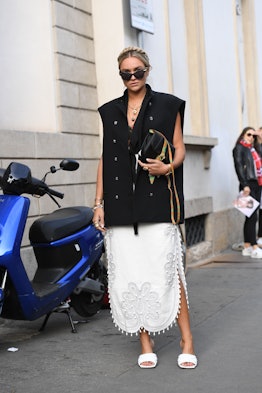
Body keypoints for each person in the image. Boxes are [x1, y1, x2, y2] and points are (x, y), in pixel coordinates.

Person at [93, 46, 197, 369]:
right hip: (121, 206)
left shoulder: (168, 105)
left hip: (156, 202)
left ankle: (187, 338)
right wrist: (98, 203)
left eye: (138, 71)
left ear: (147, 71)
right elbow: (104, 159)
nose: (133, 77)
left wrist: (167, 169)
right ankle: (145, 341)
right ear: (120, 75)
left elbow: (179, 149)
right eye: (127, 73)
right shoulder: (110, 111)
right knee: (130, 275)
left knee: (167, 270)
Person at [233, 126, 262, 258]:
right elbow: (238, 166)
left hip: (257, 184)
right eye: (249, 134)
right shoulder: (239, 148)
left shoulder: (254, 149)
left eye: (253, 135)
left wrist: (259, 137)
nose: (251, 137)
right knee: (252, 216)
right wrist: (244, 184)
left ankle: (247, 246)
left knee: (250, 216)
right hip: (247, 185)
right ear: (243, 135)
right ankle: (254, 246)